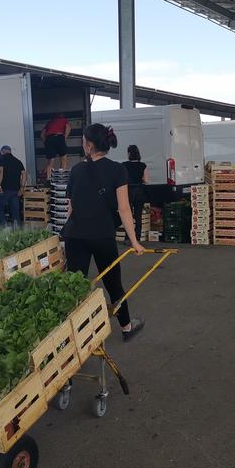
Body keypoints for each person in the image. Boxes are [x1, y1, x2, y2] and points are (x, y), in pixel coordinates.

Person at [62, 123, 145, 341]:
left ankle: (72, 336)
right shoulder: (118, 170)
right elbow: (124, 209)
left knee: (75, 284)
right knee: (112, 282)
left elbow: (70, 208)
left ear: (88, 145)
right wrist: (134, 241)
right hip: (102, 235)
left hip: (75, 235)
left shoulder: (77, 169)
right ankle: (127, 327)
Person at [122, 145, 149, 241]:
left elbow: (122, 179)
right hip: (139, 192)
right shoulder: (143, 165)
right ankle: (137, 237)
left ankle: (127, 237)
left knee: (127, 215)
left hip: (128, 191)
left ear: (129, 154)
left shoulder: (124, 165)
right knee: (138, 216)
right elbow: (146, 180)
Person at [0, 145, 26, 225]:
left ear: (2, 151)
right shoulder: (18, 161)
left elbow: (0, 172)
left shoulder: (1, 159)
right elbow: (24, 174)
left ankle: (3, 227)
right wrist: (22, 188)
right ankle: (17, 229)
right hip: (15, 190)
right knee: (15, 211)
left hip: (5, 189)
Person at [41, 113, 71, 181]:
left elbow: (42, 134)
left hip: (49, 139)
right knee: (63, 159)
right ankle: (62, 177)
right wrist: (64, 138)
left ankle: (48, 178)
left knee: (50, 162)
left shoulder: (49, 122)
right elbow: (68, 128)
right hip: (59, 137)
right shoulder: (64, 120)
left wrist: (46, 143)